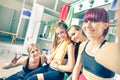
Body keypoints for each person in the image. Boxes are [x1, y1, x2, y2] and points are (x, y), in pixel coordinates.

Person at [72, 8, 120, 80]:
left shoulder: (111, 50)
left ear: (105, 25)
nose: (87, 26)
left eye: (94, 21)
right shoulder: (83, 45)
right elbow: (77, 67)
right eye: (85, 21)